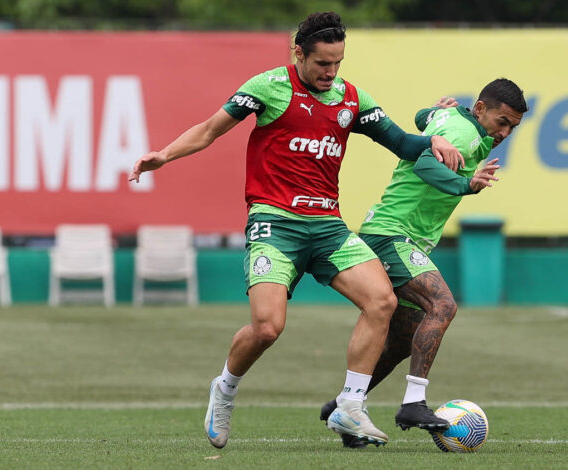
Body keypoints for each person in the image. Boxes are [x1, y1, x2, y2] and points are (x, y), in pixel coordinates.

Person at [128, 11, 463, 449]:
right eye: (323, 63)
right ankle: (225, 388)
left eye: (338, 63)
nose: (331, 72)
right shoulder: (268, 87)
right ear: (298, 53)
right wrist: (164, 156)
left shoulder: (351, 99)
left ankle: (351, 405)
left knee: (381, 300)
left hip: (327, 226)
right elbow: (210, 130)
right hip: (275, 222)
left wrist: (431, 139)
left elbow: (400, 141)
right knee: (267, 328)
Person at [320, 78, 528, 447]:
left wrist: (433, 111)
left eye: (512, 126)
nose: (505, 132)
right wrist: (466, 185)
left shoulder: (457, 124)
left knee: (403, 336)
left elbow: (423, 118)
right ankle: (414, 402)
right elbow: (424, 166)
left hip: (392, 234)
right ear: (480, 109)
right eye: (502, 121)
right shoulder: (462, 134)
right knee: (443, 305)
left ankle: (344, 406)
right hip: (392, 235)